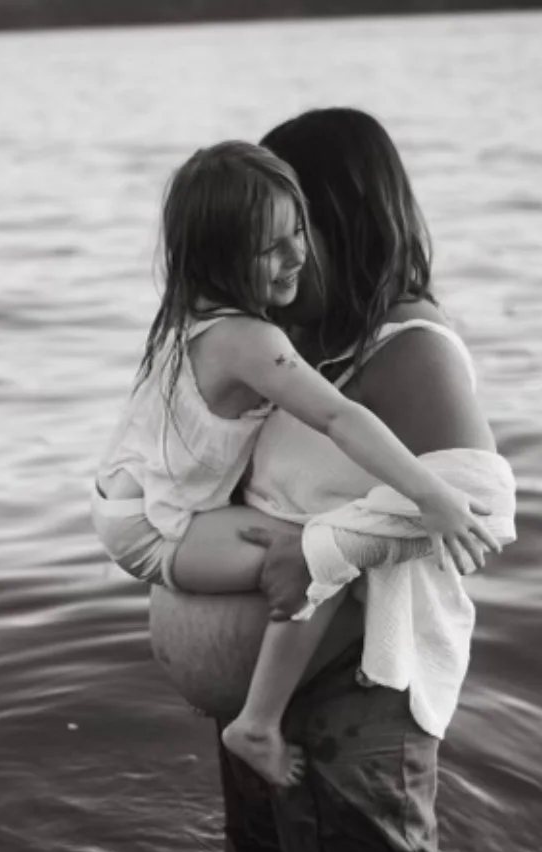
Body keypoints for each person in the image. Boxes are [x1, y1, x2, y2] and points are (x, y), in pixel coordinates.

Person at [146, 109, 510, 852]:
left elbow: (479, 505)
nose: (275, 250)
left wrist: (315, 549)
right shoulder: (285, 341)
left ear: (340, 218)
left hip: (357, 707)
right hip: (265, 714)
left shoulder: (411, 347)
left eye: (289, 228)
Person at [90, 141, 500, 790]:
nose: (297, 257)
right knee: (325, 561)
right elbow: (340, 418)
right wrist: (432, 496)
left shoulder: (188, 314)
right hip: (153, 528)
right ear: (220, 258)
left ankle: (257, 721)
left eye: (299, 230)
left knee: (317, 549)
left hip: (131, 504)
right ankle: (258, 722)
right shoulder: (250, 341)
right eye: (270, 248)